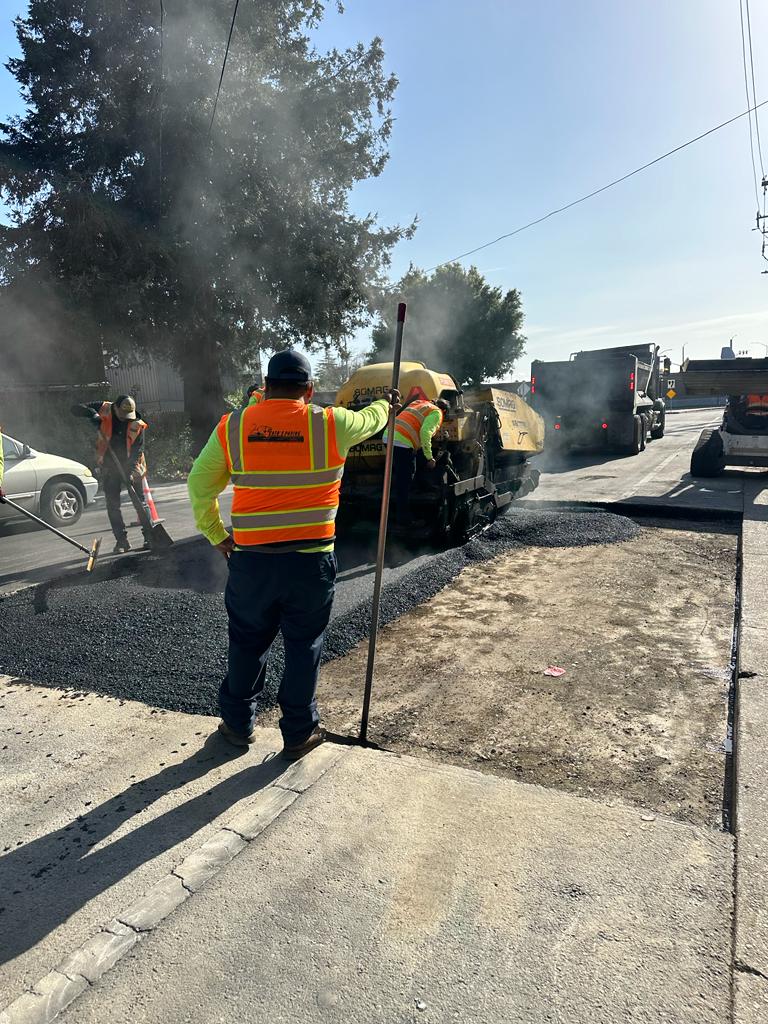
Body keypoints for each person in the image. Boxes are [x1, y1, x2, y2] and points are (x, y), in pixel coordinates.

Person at [188, 350, 399, 759]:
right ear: (310, 390)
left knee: (247, 642)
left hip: (251, 562)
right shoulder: (331, 424)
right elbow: (372, 420)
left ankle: (236, 725)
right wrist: (385, 404)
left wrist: (217, 535)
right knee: (304, 645)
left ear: (265, 386)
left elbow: (200, 486)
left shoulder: (234, 427)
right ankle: (299, 732)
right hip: (309, 564)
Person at [71, 395, 149, 553]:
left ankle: (150, 536)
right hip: (109, 465)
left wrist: (130, 473)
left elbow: (136, 452)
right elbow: (74, 408)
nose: (126, 419)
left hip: (132, 466)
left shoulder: (137, 425)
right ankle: (122, 542)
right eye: (123, 415)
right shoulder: (105, 408)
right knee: (113, 506)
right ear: (116, 408)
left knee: (140, 502)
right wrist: (91, 414)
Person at [384, 396, 449, 525]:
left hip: (389, 436)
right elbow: (425, 432)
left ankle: (395, 512)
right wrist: (430, 458)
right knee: (405, 481)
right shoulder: (437, 412)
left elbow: (413, 424)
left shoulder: (419, 403)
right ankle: (404, 519)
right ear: (445, 411)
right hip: (401, 442)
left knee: (402, 475)